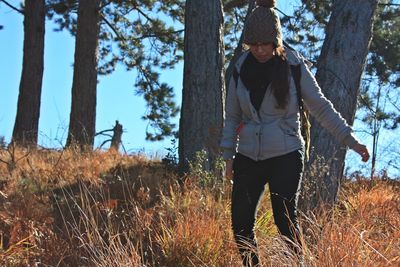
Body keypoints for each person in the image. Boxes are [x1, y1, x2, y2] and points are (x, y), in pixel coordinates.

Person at [220, 0, 370, 266]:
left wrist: (351, 140)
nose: (259, 50)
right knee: (241, 224)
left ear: (276, 41)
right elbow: (232, 116)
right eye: (253, 44)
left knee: (285, 219)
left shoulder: (293, 66)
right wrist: (228, 155)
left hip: (286, 154)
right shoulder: (241, 68)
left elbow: (321, 108)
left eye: (265, 44)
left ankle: (296, 263)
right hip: (248, 156)